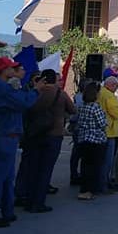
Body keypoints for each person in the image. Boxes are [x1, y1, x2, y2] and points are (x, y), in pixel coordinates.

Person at [0, 57, 43, 228]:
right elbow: (24, 102)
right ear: (4, 70)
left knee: (6, 177)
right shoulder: (1, 88)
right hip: (6, 134)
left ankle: (6, 211)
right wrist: (36, 90)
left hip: (7, 133)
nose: (15, 70)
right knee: (0, 176)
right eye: (12, 67)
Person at [20, 69, 74, 213]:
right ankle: (38, 202)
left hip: (34, 133)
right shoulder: (60, 94)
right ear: (55, 80)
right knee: (45, 170)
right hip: (54, 134)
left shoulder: (35, 92)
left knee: (32, 168)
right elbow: (73, 109)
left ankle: (27, 198)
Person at [97, 76, 118, 193]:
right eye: (116, 87)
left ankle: (101, 183)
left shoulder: (99, 92)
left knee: (100, 159)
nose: (116, 89)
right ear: (111, 85)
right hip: (109, 131)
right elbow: (116, 113)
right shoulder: (109, 96)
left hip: (100, 129)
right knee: (107, 160)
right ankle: (104, 184)